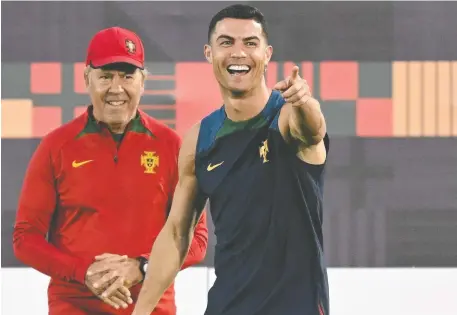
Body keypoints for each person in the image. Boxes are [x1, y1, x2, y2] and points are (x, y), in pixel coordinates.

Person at [132, 4, 330, 315]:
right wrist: (140, 312)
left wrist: (305, 102)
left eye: (250, 43)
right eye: (227, 42)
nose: (239, 53)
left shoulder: (287, 116)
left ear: (267, 53)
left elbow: (312, 131)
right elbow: (176, 234)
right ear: (209, 53)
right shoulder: (201, 138)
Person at [13, 26, 208, 315]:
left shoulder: (172, 146)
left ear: (143, 81)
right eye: (105, 76)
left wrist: (142, 266)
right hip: (74, 306)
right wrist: (83, 272)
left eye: (127, 76)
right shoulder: (56, 146)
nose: (116, 89)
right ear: (86, 78)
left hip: (151, 308)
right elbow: (25, 238)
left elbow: (198, 239)